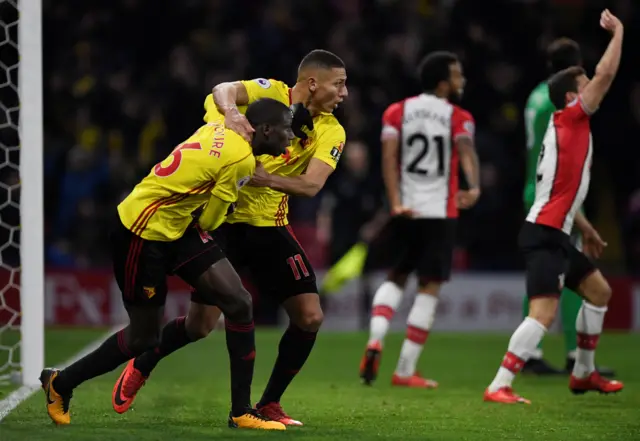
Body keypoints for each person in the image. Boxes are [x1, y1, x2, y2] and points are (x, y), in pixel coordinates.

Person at [111, 49, 348, 426]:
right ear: (313, 83)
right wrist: (234, 113)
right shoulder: (268, 94)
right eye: (339, 84)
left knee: (310, 316)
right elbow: (222, 89)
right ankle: (144, 362)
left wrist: (258, 176)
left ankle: (270, 404)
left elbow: (311, 184)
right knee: (200, 326)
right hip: (224, 223)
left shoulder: (332, 130)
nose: (344, 93)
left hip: (270, 227)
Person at [40, 98, 294, 431]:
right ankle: (60, 383)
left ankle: (241, 412)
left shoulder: (221, 127)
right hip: (142, 232)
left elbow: (217, 98)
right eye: (287, 129)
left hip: (177, 224)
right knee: (142, 337)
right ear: (265, 130)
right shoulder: (242, 162)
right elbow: (214, 218)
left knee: (239, 302)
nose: (291, 137)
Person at [484, 9, 624, 404]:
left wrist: (588, 227)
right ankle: (499, 385)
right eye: (584, 83)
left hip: (555, 227)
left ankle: (583, 373)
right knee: (543, 313)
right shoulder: (573, 117)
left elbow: (560, 189)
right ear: (570, 95)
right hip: (545, 233)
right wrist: (619, 33)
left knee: (599, 292)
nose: (591, 86)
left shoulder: (562, 125)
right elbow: (607, 75)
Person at [359, 51, 480, 388]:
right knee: (429, 287)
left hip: (406, 210)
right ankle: (405, 370)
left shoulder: (397, 112)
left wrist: (395, 201)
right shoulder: (458, 116)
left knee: (396, 276)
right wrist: (474, 186)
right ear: (443, 82)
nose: (461, 81)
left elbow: (388, 157)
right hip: (441, 212)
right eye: (457, 75)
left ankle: (375, 339)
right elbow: (466, 150)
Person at [522, 38, 614, 377]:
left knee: (548, 272)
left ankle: (536, 352)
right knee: (571, 271)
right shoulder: (563, 105)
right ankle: (572, 354)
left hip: (536, 188)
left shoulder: (536, 96)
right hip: (555, 193)